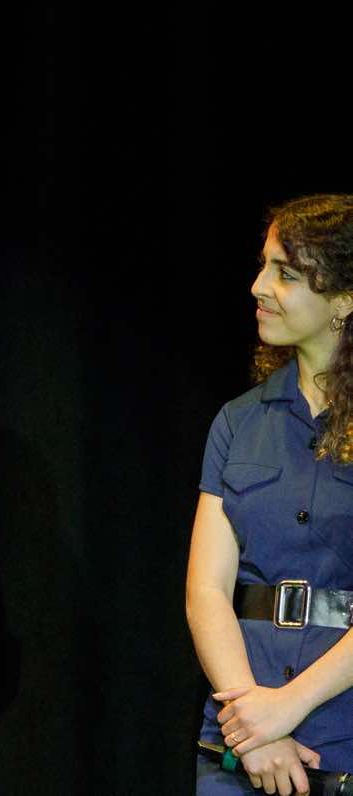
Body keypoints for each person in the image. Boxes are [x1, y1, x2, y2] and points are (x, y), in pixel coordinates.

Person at [188, 194, 353, 795]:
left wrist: (288, 706)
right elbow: (206, 591)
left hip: (341, 734)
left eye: (286, 273)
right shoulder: (238, 421)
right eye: (264, 266)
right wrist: (254, 727)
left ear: (343, 300)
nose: (258, 286)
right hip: (240, 739)